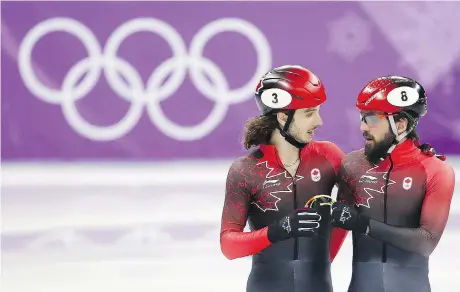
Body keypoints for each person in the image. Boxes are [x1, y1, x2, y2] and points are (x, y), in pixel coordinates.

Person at [219, 65, 348, 292]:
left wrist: (420, 158)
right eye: (309, 113)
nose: (319, 121)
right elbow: (229, 246)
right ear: (282, 116)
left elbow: (372, 181)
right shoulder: (246, 171)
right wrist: (277, 231)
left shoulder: (328, 156)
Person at [331, 75, 456, 292]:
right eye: (362, 117)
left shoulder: (435, 170)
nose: (362, 127)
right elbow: (337, 230)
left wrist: (362, 224)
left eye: (370, 119)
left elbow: (425, 243)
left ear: (400, 124)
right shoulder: (352, 165)